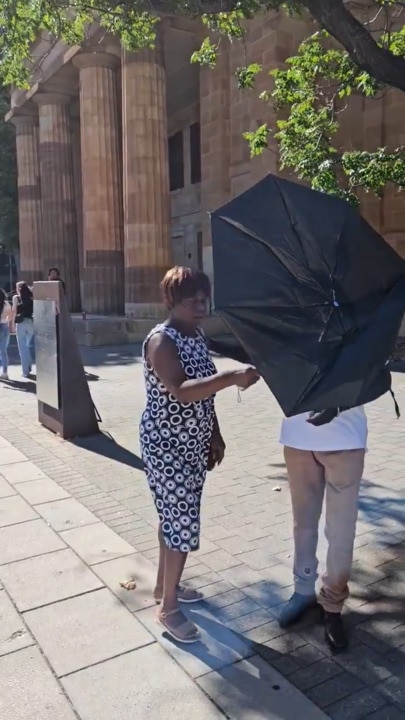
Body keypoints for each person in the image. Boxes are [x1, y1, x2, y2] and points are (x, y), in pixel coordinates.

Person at [140, 266, 259, 644]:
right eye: (189, 298)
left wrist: (215, 432)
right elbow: (183, 389)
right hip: (166, 446)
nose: (199, 304)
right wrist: (232, 377)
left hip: (193, 444)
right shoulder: (162, 341)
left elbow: (203, 396)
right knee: (182, 523)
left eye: (203, 297)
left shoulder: (196, 334)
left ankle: (164, 586)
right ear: (169, 301)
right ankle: (169, 608)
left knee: (174, 518)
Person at [278, 407, 367, 650]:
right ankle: (303, 591)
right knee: (303, 523)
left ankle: (333, 604)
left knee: (341, 530)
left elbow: (373, 378)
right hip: (297, 438)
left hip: (345, 440)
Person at [12, 282, 34, 378]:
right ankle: (28, 365)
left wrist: (12, 324)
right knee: (27, 346)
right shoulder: (32, 297)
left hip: (21, 324)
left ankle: (25, 371)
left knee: (22, 348)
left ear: (18, 288)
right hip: (31, 323)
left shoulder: (16, 298)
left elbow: (14, 311)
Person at [0, 288, 12, 380]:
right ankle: (5, 372)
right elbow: (10, 316)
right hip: (4, 326)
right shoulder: (6, 303)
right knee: (3, 351)